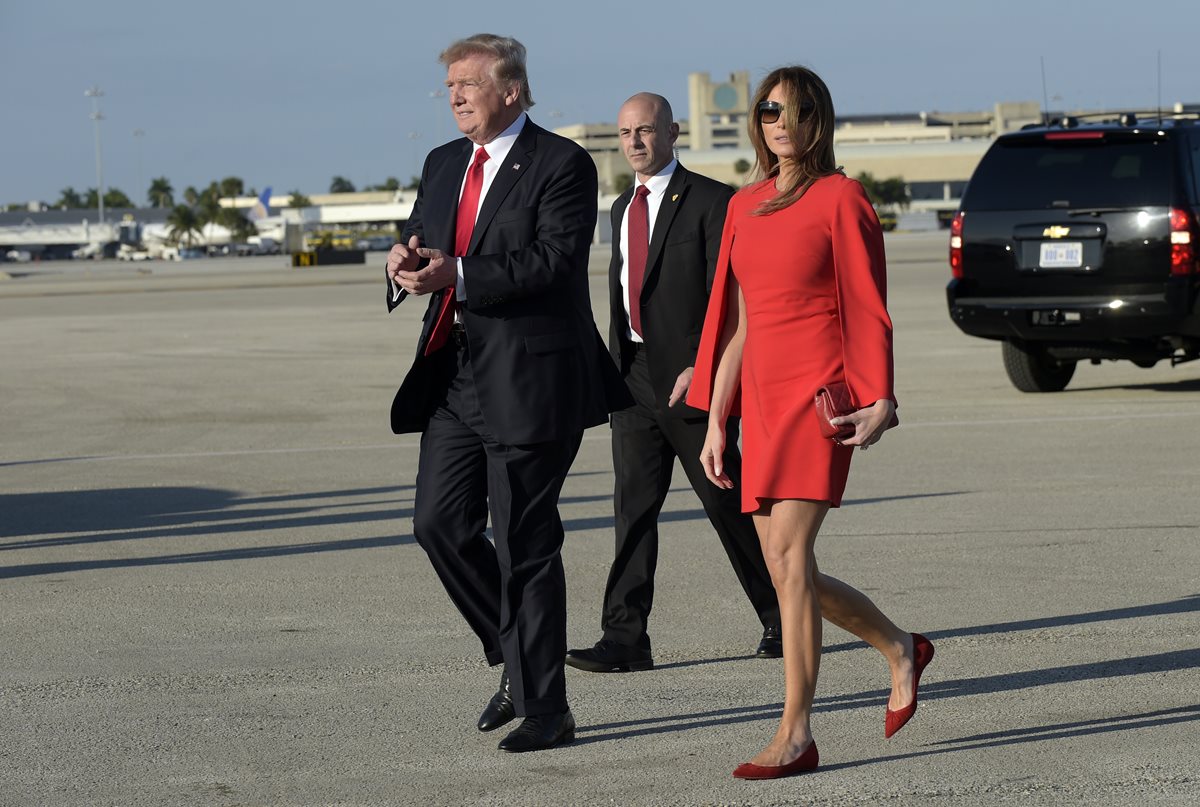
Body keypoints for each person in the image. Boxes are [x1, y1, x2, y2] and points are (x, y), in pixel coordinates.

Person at [688, 66, 935, 779]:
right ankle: (898, 645)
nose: (782, 124)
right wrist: (715, 420)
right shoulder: (744, 206)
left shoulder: (842, 197)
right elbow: (736, 326)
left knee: (790, 560)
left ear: (817, 121)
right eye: (770, 111)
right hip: (760, 402)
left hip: (817, 400)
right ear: (757, 122)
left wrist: (881, 396)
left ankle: (795, 734)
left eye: (797, 112)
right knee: (786, 568)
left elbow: (867, 303)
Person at [385, 33, 630, 754]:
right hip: (456, 374)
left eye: (468, 84)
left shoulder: (562, 163)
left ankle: (548, 707)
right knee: (438, 523)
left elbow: (553, 261)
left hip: (531, 380)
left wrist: (456, 273)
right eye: (450, 86)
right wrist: (401, 258)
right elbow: (424, 237)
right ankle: (519, 664)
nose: (455, 97)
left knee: (526, 540)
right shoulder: (441, 163)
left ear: (512, 91)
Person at [565, 93, 781, 675]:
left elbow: (728, 297)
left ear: (673, 132)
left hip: (692, 381)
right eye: (626, 133)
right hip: (631, 379)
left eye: (646, 130)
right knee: (632, 509)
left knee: (724, 503)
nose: (635, 142)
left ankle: (782, 614)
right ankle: (625, 638)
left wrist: (703, 367)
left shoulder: (713, 202)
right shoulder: (618, 208)